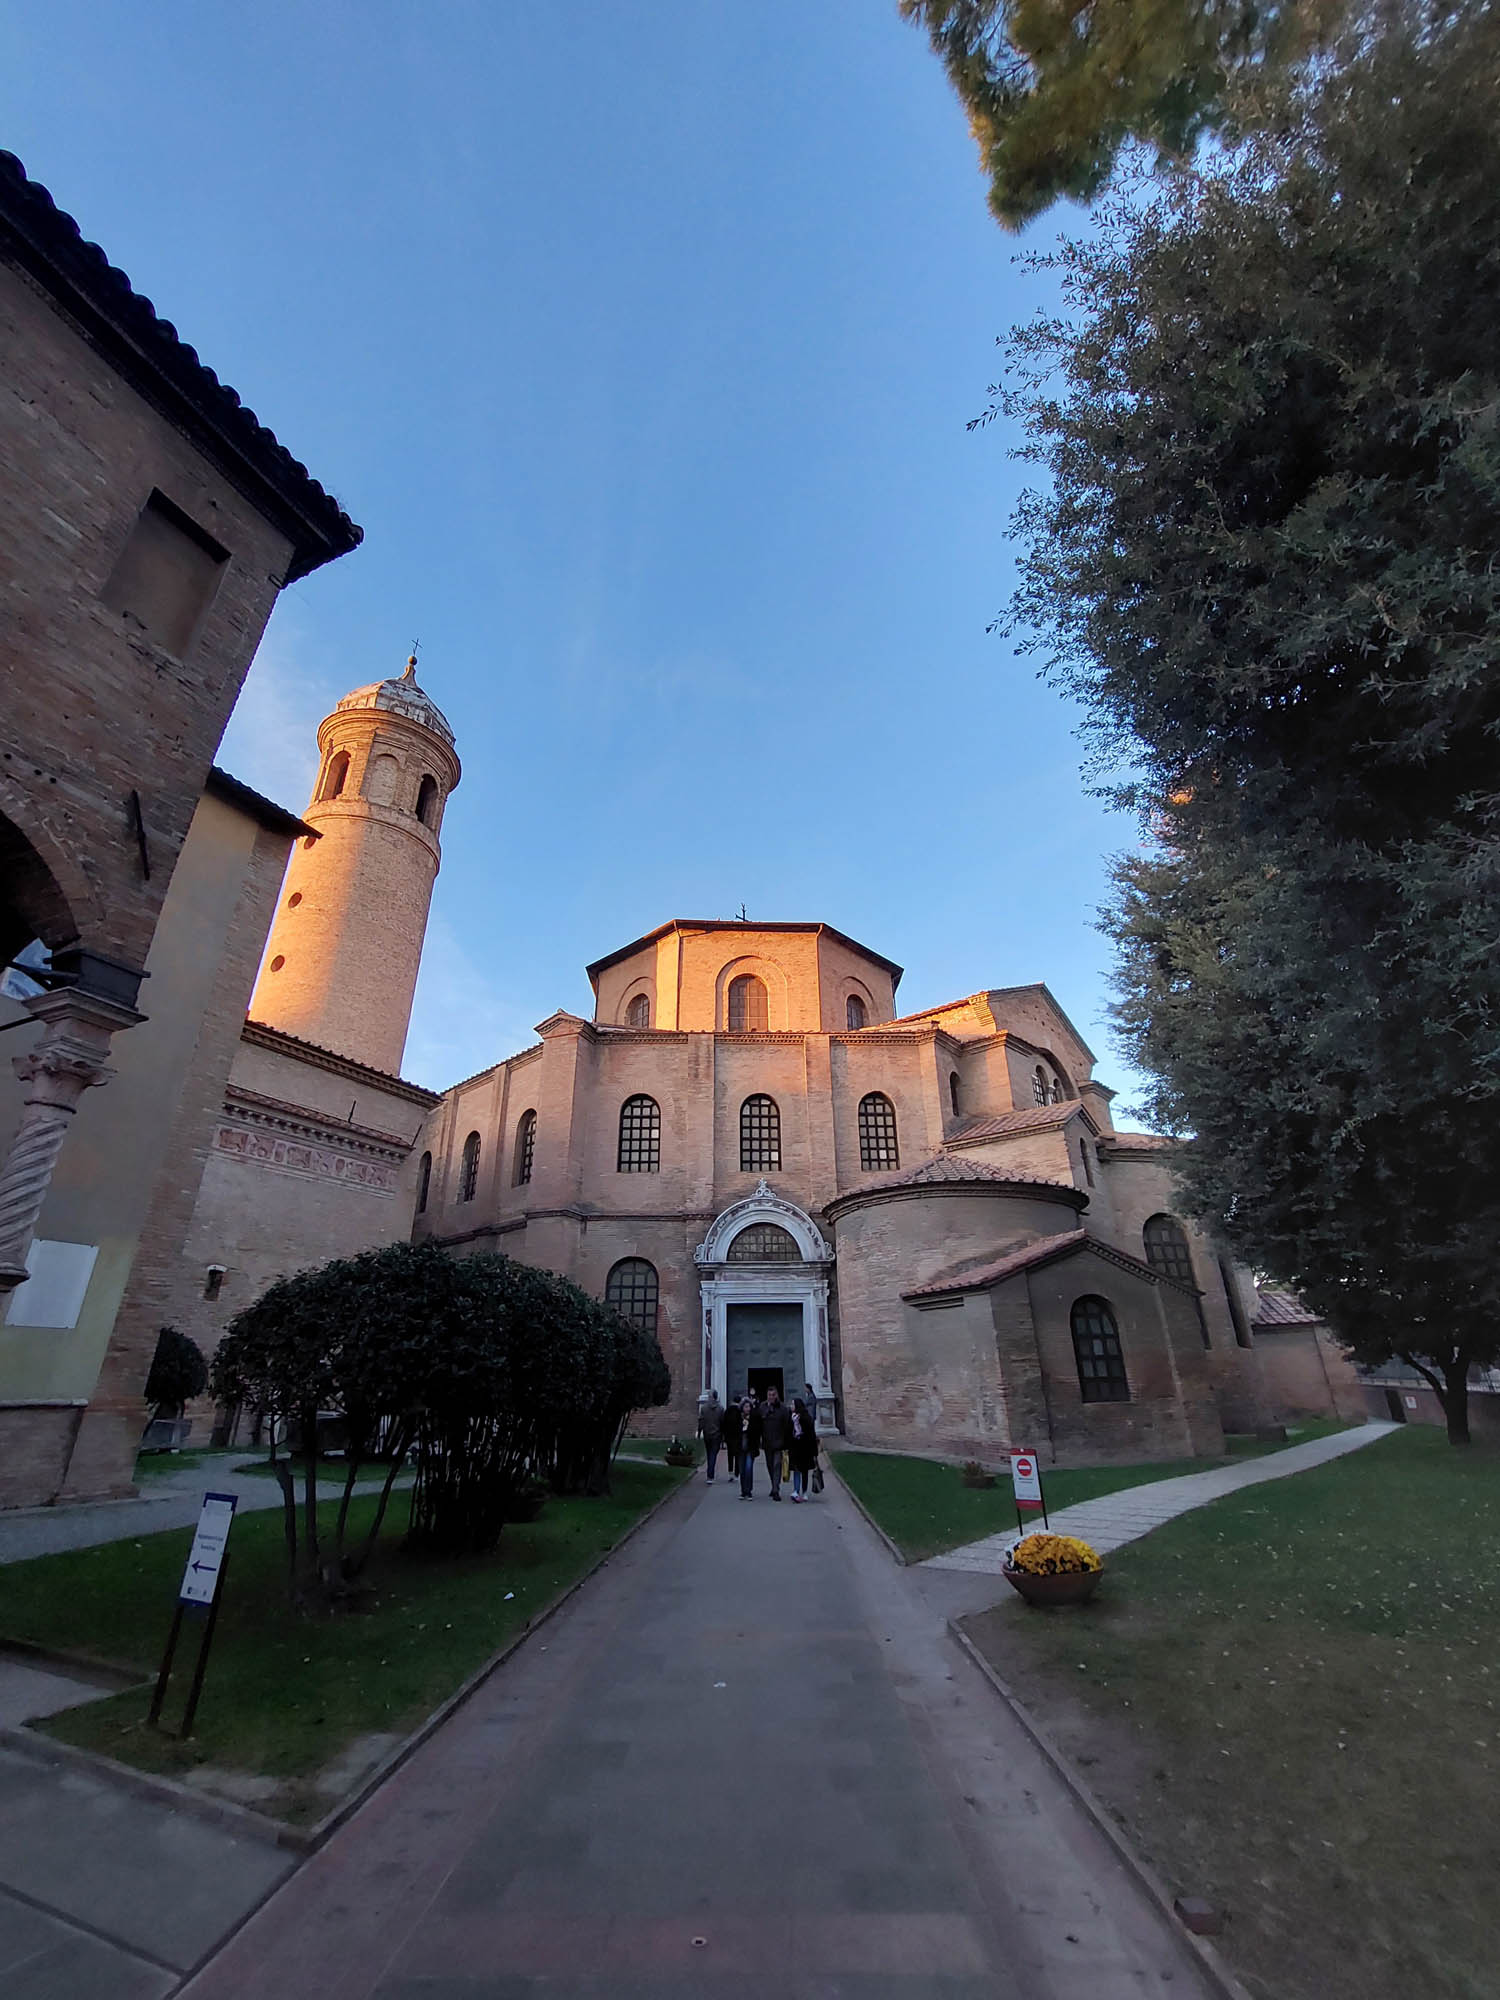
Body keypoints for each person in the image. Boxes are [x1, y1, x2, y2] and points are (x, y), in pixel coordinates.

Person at [759, 1384, 791, 1501]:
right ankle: (774, 1486)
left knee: (777, 1464)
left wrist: (786, 1441)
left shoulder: (782, 1408)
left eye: (773, 1395)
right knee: (769, 1465)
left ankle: (776, 1489)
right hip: (767, 1442)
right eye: (769, 1395)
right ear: (767, 1396)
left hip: (779, 1442)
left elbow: (787, 1425)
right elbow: (758, 1424)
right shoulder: (762, 1407)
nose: (771, 1397)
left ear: (776, 1395)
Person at [788, 1396, 818, 1502]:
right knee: (796, 1470)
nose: (791, 1406)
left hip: (805, 1448)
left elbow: (811, 1435)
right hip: (795, 1448)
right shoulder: (791, 1417)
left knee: (804, 1471)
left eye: (792, 1404)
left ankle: (804, 1491)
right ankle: (796, 1490)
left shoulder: (806, 1418)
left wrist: (814, 1451)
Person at [737, 1396, 761, 1498]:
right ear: (742, 1408)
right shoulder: (738, 1418)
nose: (747, 1408)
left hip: (750, 1447)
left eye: (749, 1406)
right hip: (740, 1448)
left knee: (748, 1468)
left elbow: (757, 1431)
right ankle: (743, 1491)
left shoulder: (754, 1418)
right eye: (745, 1406)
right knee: (742, 1470)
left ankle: (749, 1490)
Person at [697, 1392, 723, 1482]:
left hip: (707, 1434)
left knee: (709, 1454)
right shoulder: (720, 1409)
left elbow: (701, 1421)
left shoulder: (704, 1408)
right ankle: (710, 1475)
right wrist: (723, 1436)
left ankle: (709, 1474)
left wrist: (699, 1431)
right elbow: (722, 1423)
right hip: (717, 1435)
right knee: (713, 1455)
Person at [722, 1393, 743, 1483]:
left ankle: (730, 1473)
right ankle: (736, 1474)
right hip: (738, 1437)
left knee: (730, 1455)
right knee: (738, 1456)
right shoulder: (740, 1411)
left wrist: (724, 1436)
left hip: (729, 1437)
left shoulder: (727, 1411)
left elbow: (723, 1424)